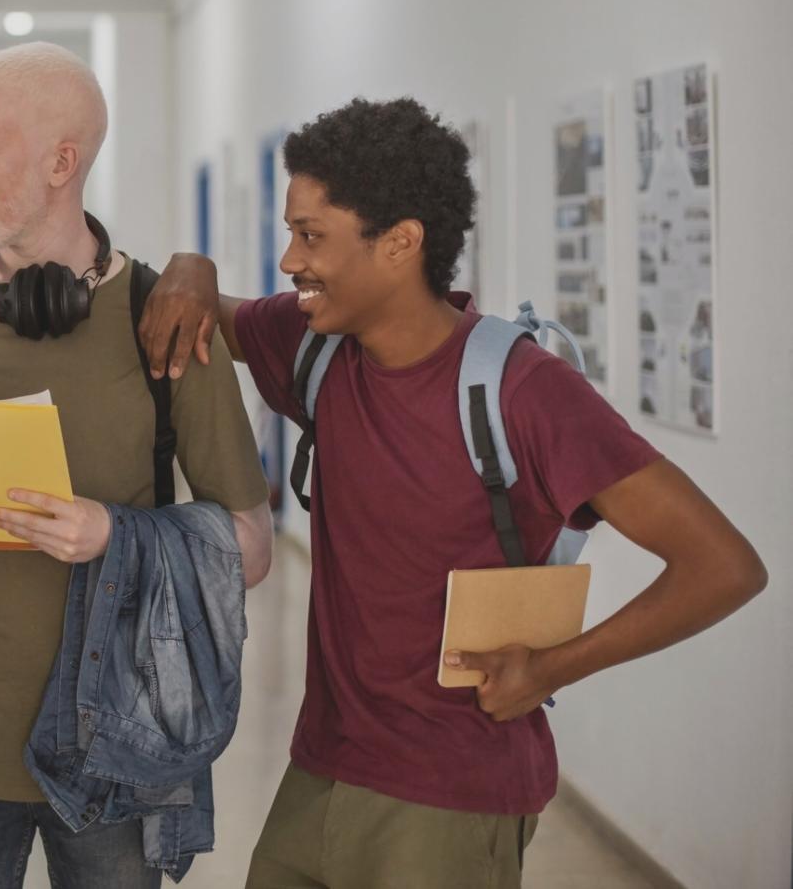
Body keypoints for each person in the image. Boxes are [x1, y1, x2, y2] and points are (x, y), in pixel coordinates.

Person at [139, 97, 767, 889]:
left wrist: (552, 668)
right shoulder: (317, 348)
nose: (289, 261)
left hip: (452, 793)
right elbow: (201, 313)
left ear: (400, 242)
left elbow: (723, 566)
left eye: (310, 236)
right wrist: (190, 264)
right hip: (320, 770)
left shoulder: (525, 391)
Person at [0, 42, 275, 888]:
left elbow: (251, 549)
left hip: (121, 743)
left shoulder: (170, 323)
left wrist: (116, 533)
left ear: (60, 161)